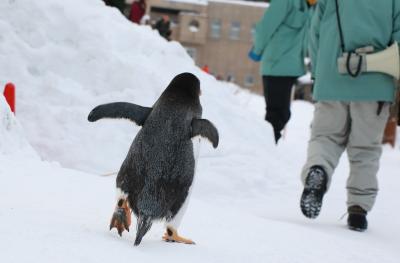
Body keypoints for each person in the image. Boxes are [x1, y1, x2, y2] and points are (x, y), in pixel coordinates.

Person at [300, 0, 400, 232]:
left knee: (325, 138)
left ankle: (318, 170)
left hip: (331, 78)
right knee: (365, 149)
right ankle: (358, 210)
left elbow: (314, 33)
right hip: (376, 83)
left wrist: (319, 73)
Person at [249, 0, 316, 143]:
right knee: (277, 115)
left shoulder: (312, 7)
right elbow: (266, 26)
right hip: (276, 65)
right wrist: (257, 49)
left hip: (292, 67)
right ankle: (262, 149)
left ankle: (266, 148)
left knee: (281, 115)